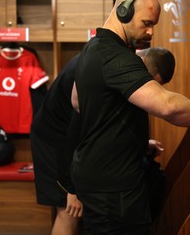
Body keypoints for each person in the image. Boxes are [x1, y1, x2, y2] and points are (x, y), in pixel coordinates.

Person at [71, 0, 190, 234]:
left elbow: (78, 101)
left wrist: (131, 142)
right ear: (123, 12)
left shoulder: (93, 48)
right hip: (115, 187)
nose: (150, 31)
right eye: (147, 23)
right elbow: (168, 107)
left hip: (96, 176)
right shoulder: (117, 57)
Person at [30, 46, 176, 235]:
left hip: (70, 137)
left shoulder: (120, 64)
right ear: (143, 65)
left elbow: (103, 120)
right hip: (55, 140)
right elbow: (78, 129)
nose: (147, 87)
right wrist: (71, 190)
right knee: (69, 211)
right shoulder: (105, 69)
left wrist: (141, 143)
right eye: (150, 81)